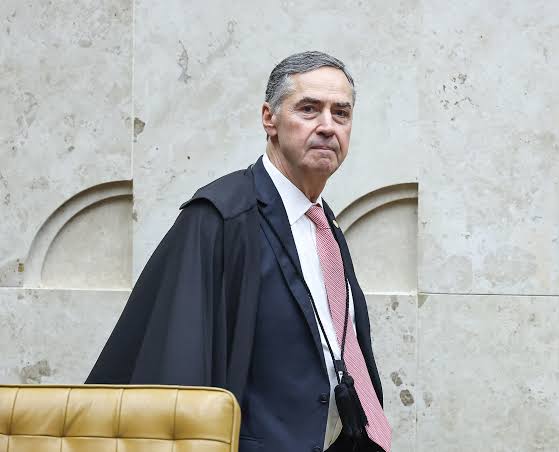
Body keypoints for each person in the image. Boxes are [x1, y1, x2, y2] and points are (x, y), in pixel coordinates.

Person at [86, 51, 391, 452]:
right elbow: (179, 370)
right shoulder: (219, 217)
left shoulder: (324, 223)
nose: (327, 126)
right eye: (308, 109)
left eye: (341, 113)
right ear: (269, 119)